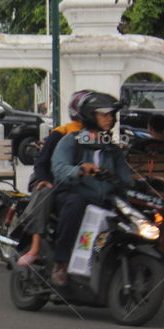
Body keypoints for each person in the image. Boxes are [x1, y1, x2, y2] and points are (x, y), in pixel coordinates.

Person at [49, 92, 133, 285]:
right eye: (104, 114)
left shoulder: (111, 148)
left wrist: (142, 184)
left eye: (111, 115)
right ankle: (61, 262)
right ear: (90, 116)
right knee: (76, 204)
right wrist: (79, 170)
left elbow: (125, 177)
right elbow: (59, 168)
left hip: (104, 200)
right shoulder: (71, 141)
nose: (110, 119)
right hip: (75, 195)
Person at [15, 89, 92, 268]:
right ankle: (34, 249)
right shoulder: (60, 134)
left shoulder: (97, 137)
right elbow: (41, 163)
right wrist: (45, 179)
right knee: (45, 192)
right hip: (49, 179)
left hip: (78, 184)